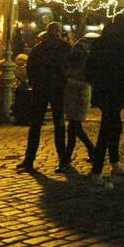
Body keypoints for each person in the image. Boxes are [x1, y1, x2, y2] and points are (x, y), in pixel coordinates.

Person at [86, 13, 124, 189]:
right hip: (115, 91)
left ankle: (114, 165)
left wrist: (96, 85)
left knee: (114, 127)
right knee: (107, 130)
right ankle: (97, 172)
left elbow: (89, 68)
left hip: (102, 91)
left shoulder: (99, 43)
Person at [17, 22, 71, 173]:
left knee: (36, 124)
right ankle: (62, 159)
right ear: (59, 32)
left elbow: (30, 68)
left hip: (41, 88)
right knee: (58, 124)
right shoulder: (65, 47)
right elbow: (69, 67)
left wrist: (35, 82)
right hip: (56, 89)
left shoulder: (39, 48)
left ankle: (29, 159)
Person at [62, 47, 96, 169]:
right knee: (78, 131)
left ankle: (66, 159)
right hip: (73, 102)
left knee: (72, 132)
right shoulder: (73, 67)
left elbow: (84, 85)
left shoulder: (84, 69)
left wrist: (68, 81)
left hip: (79, 102)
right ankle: (92, 150)